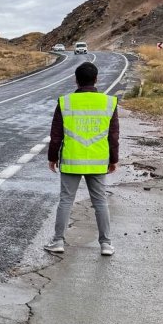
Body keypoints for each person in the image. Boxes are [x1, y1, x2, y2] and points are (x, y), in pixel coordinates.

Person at [44, 61, 118, 257]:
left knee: (66, 201)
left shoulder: (65, 102)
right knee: (100, 202)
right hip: (98, 161)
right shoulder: (109, 102)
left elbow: (56, 135)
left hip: (72, 160)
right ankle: (106, 244)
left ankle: (58, 241)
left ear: (76, 80)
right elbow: (113, 136)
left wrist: (52, 157)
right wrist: (114, 159)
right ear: (96, 79)